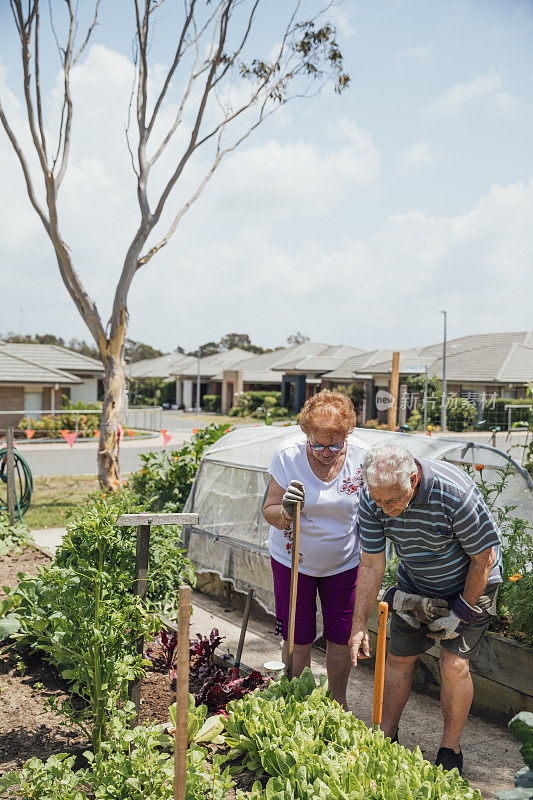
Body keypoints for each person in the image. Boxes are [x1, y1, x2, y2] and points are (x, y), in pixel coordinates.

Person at [349, 442, 502, 774]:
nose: (384, 509)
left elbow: (484, 559)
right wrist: (359, 623)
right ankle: (386, 734)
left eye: (392, 500)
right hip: (415, 583)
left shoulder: (453, 492)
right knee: (398, 658)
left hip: (472, 582)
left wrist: (461, 611)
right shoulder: (374, 496)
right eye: (378, 500)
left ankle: (450, 750)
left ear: (414, 480)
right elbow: (373, 564)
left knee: (453, 664)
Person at [262, 390, 366, 708]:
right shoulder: (288, 454)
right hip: (294, 561)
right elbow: (270, 510)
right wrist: (287, 512)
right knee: (298, 635)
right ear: (306, 434)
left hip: (344, 562)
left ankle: (337, 704)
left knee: (340, 637)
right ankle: (298, 703)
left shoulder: (364, 456)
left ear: (348, 434)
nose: (325, 451)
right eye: (317, 444)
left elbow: (375, 512)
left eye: (335, 444)